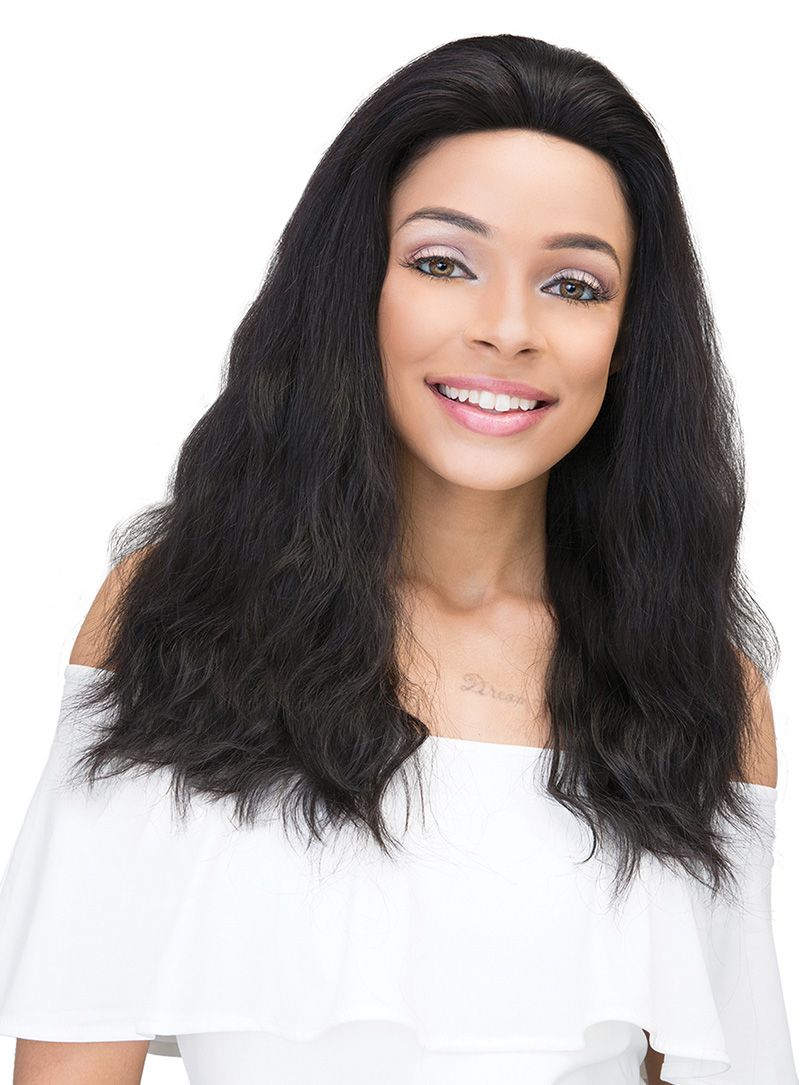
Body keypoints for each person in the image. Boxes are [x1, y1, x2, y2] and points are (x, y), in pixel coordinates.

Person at [1, 32, 797, 1085]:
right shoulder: (180, 617)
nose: (507, 329)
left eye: (573, 285)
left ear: (627, 340)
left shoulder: (697, 686)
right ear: (355, 289)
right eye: (442, 263)